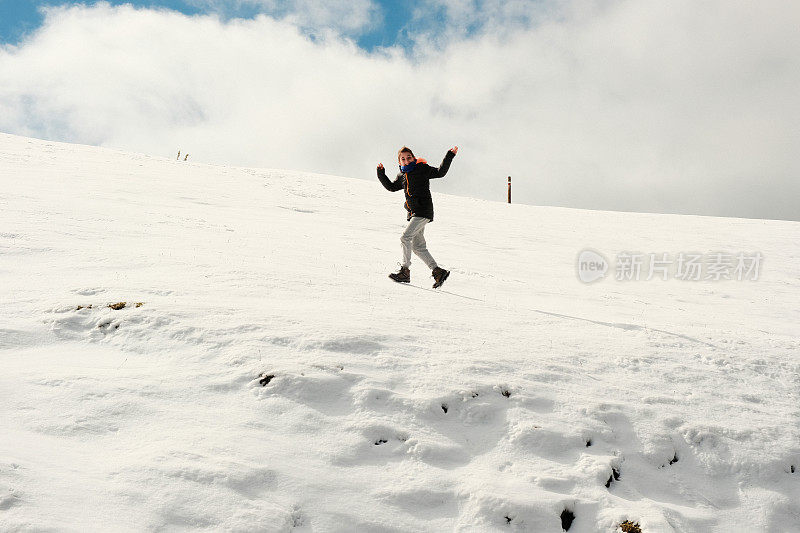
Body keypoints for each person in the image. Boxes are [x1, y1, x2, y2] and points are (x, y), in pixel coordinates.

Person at [377, 145, 458, 288]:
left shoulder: (421, 169)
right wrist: (381, 173)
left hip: (423, 211)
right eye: (403, 159)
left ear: (414, 158)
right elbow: (391, 187)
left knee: (405, 237)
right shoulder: (402, 176)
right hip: (414, 214)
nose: (407, 160)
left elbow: (440, 172)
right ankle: (438, 272)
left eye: (409, 157)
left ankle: (405, 271)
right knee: (418, 247)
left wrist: (449, 156)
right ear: (399, 162)